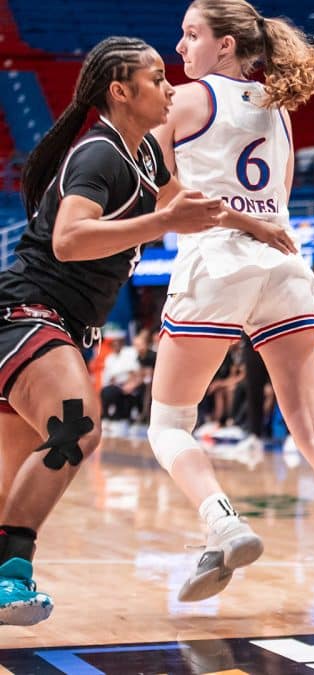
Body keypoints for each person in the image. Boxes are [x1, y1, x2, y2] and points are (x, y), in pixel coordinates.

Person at [148, 0, 314, 611]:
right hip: (284, 263)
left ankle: (223, 523)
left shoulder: (183, 100)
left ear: (226, 45)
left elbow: (158, 188)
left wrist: (234, 219)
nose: (179, 48)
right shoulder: (281, 110)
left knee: (168, 424)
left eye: (192, 35)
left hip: (220, 258)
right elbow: (279, 200)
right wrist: (256, 223)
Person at [0, 37, 225, 625]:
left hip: (61, 325)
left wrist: (263, 226)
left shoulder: (147, 154)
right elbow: (68, 241)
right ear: (120, 92)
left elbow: (191, 209)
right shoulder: (97, 153)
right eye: (157, 78)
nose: (170, 87)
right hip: (28, 313)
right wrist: (163, 220)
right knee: (77, 426)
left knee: (9, 478)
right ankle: (12, 575)